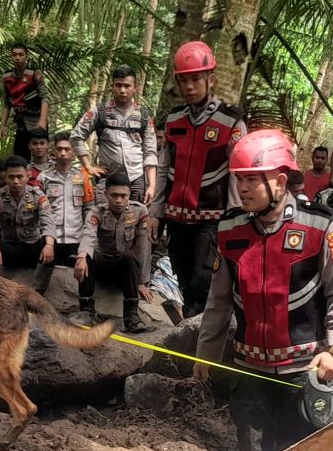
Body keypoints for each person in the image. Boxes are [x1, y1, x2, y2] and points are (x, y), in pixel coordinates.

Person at [194, 129, 333, 451]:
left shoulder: (320, 225)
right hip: (249, 372)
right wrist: (205, 354)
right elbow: (219, 300)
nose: (242, 188)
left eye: (252, 179)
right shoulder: (229, 229)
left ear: (280, 182)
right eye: (239, 179)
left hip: (306, 370)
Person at [150, 41, 246, 318]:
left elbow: (238, 172)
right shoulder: (173, 119)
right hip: (176, 218)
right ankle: (190, 328)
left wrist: (235, 218)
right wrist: (156, 212)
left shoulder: (231, 121)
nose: (189, 86)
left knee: (203, 282)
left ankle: (199, 333)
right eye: (184, 80)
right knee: (183, 280)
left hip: (211, 219)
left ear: (210, 79)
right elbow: (163, 167)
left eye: (196, 79)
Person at [77, 172, 153, 332]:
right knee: (88, 256)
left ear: (129, 194)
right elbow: (88, 236)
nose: (119, 200)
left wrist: (141, 282)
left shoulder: (139, 211)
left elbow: (143, 248)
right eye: (114, 195)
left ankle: (131, 316)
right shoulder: (96, 212)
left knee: (128, 256)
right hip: (101, 265)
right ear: (106, 194)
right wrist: (82, 257)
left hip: (124, 269)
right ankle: (86, 310)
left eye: (123, 196)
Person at [70, 65, 157, 204]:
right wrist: (88, 166)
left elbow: (150, 151)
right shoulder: (100, 111)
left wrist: (152, 185)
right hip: (108, 178)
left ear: (135, 87)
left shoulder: (144, 115)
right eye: (118, 85)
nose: (122, 90)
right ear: (112, 86)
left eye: (127, 86)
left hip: (136, 179)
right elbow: (76, 136)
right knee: (103, 215)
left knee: (134, 216)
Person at [32, 132, 93, 294]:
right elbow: (36, 209)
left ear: (74, 152)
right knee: (43, 263)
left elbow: (88, 208)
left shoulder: (83, 176)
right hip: (51, 238)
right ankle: (35, 299)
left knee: (86, 263)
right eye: (59, 149)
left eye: (67, 149)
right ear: (53, 151)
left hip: (76, 239)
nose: (63, 153)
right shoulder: (43, 177)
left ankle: (86, 305)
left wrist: (87, 237)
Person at [0, 155, 53, 271]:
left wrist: (49, 245)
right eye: (11, 177)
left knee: (51, 242)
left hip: (32, 247)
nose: (15, 181)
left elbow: (48, 222)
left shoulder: (38, 196)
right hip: (8, 248)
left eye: (20, 177)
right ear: (5, 177)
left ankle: (40, 282)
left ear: (28, 176)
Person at [0, 43, 47, 161]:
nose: (17, 58)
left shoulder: (35, 74)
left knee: (40, 154)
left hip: (35, 120)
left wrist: (42, 120)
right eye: (14, 55)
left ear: (26, 57)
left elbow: (45, 97)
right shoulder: (7, 77)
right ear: (11, 57)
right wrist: (2, 125)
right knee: (20, 156)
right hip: (20, 122)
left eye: (21, 55)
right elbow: (7, 102)